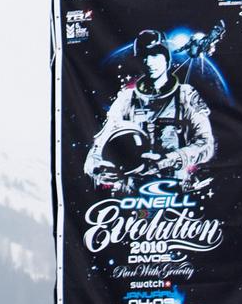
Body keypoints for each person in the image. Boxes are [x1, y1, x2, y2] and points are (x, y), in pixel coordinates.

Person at [84, 29, 215, 193]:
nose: (149, 62)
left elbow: (206, 144)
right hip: (133, 192)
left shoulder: (185, 95)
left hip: (175, 189)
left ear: (166, 57)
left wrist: (169, 159)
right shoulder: (126, 99)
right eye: (144, 56)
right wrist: (98, 168)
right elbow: (98, 145)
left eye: (155, 55)